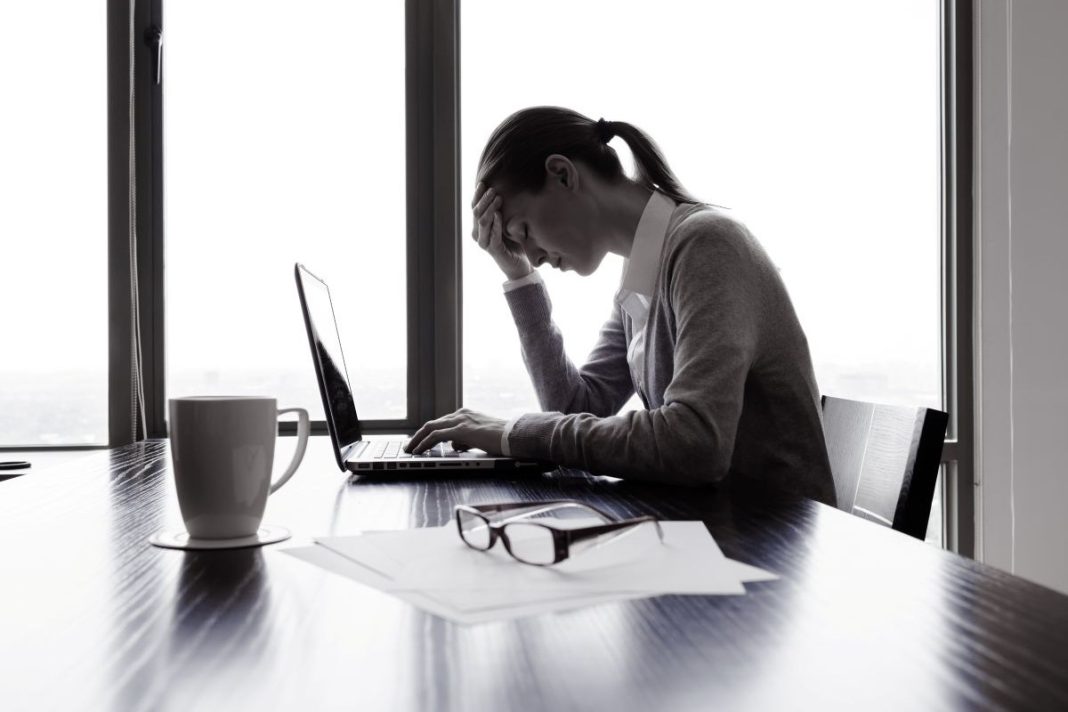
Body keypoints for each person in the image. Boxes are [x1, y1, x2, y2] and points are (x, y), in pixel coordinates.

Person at [405, 106, 835, 505]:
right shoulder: (644, 271)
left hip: (777, 547)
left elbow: (696, 442)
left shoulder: (706, 245)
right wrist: (519, 277)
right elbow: (575, 409)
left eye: (523, 230)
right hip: (722, 530)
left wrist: (513, 433)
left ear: (562, 174)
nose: (534, 256)